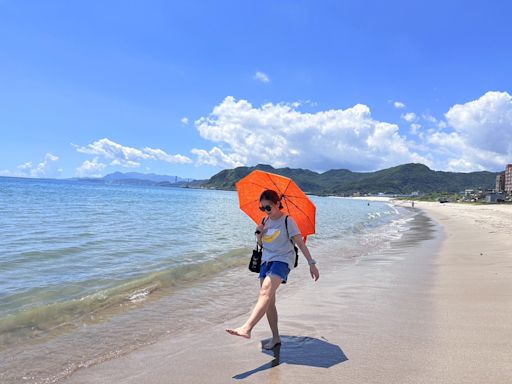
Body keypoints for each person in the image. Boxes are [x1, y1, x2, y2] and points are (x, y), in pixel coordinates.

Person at [226, 189, 320, 349]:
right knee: (269, 301)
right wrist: (259, 234)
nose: (265, 211)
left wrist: (311, 263)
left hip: (282, 260)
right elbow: (263, 245)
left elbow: (300, 242)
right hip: (266, 261)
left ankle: (246, 328)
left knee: (264, 293)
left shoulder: (288, 221)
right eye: (262, 208)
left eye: (268, 207)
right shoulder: (264, 221)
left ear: (277, 204)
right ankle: (276, 337)